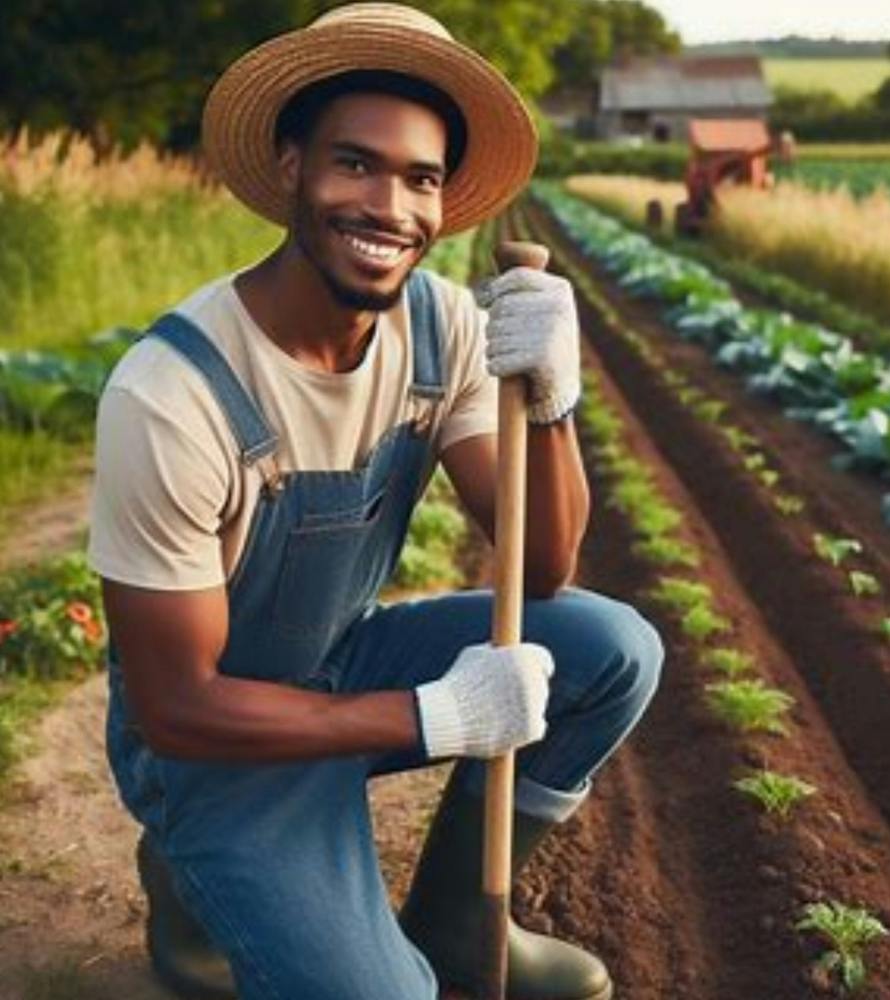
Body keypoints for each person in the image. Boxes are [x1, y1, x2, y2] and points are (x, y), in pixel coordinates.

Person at [88, 5, 664, 999]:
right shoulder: (172, 394)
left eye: (420, 177)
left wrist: (557, 405)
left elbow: (543, 571)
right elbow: (175, 705)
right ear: (287, 169)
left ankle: (457, 921)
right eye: (354, 163)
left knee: (611, 650)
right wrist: (429, 714)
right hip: (210, 744)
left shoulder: (438, 325)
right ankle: (190, 877)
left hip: (335, 664)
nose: (388, 205)